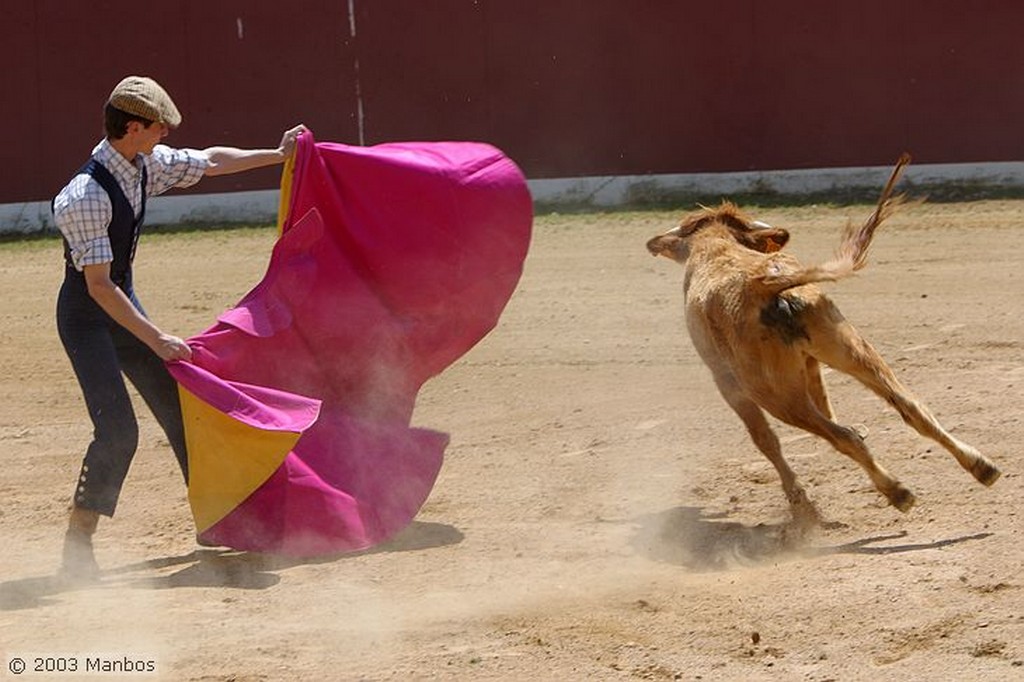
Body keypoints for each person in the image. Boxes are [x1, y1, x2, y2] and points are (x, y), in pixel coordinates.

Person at [52, 75, 305, 579]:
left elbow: (210, 161)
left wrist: (279, 155)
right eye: (158, 126)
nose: (165, 132)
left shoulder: (141, 164)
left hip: (122, 308)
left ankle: (218, 521)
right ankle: (77, 546)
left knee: (183, 410)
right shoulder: (82, 196)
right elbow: (100, 288)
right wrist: (157, 338)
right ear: (131, 127)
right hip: (87, 319)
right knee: (118, 430)